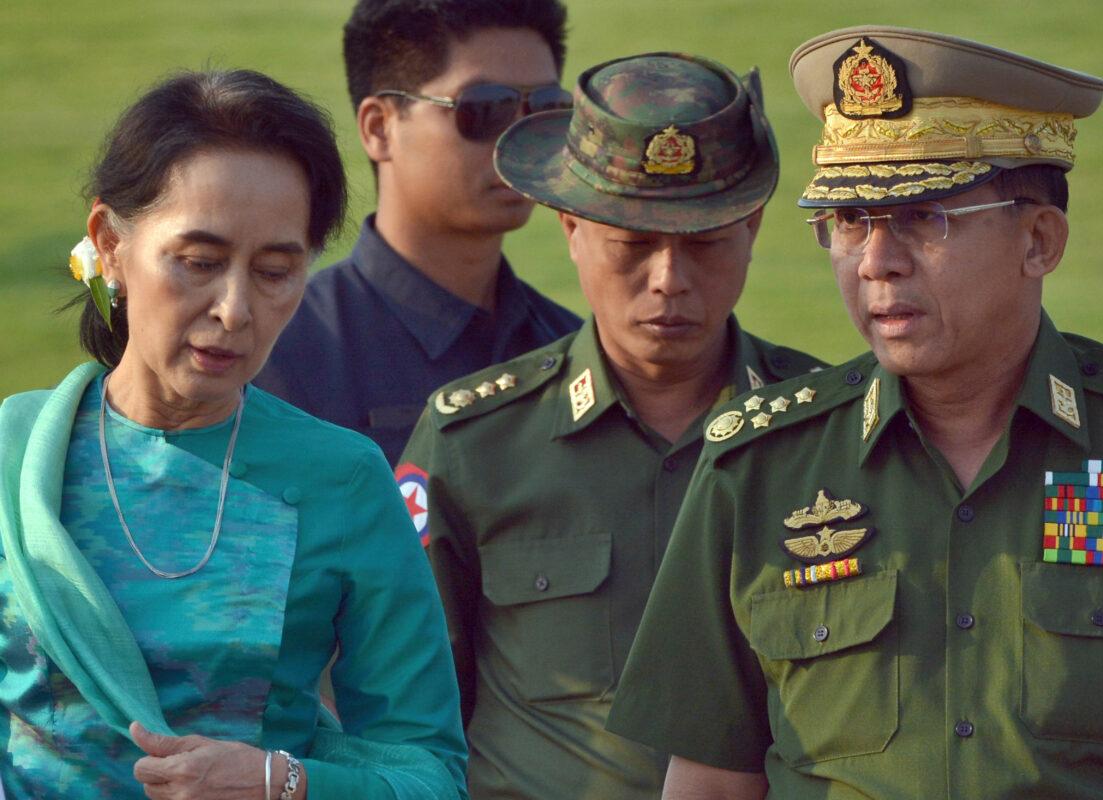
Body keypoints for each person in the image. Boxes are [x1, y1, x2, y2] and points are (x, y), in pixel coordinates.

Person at [607, 26, 1103, 799]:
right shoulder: (758, 466)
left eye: (924, 217)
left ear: (1039, 241)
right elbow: (711, 782)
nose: (875, 261)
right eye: (848, 221)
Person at [0, 69, 467, 799]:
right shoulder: (15, 457)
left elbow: (430, 775)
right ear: (110, 245)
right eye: (200, 262)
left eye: (276, 270)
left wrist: (283, 783)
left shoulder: (340, 479)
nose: (235, 308)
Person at [400, 52, 827, 799]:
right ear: (571, 227)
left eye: (704, 242)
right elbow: (410, 705)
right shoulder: (472, 444)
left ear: (753, 227)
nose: (669, 279)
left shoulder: (828, 432)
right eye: (633, 245)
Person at [255, 0, 581, 471]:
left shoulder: (573, 348)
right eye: (485, 109)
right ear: (380, 127)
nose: (520, 139)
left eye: (547, 109)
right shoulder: (277, 353)